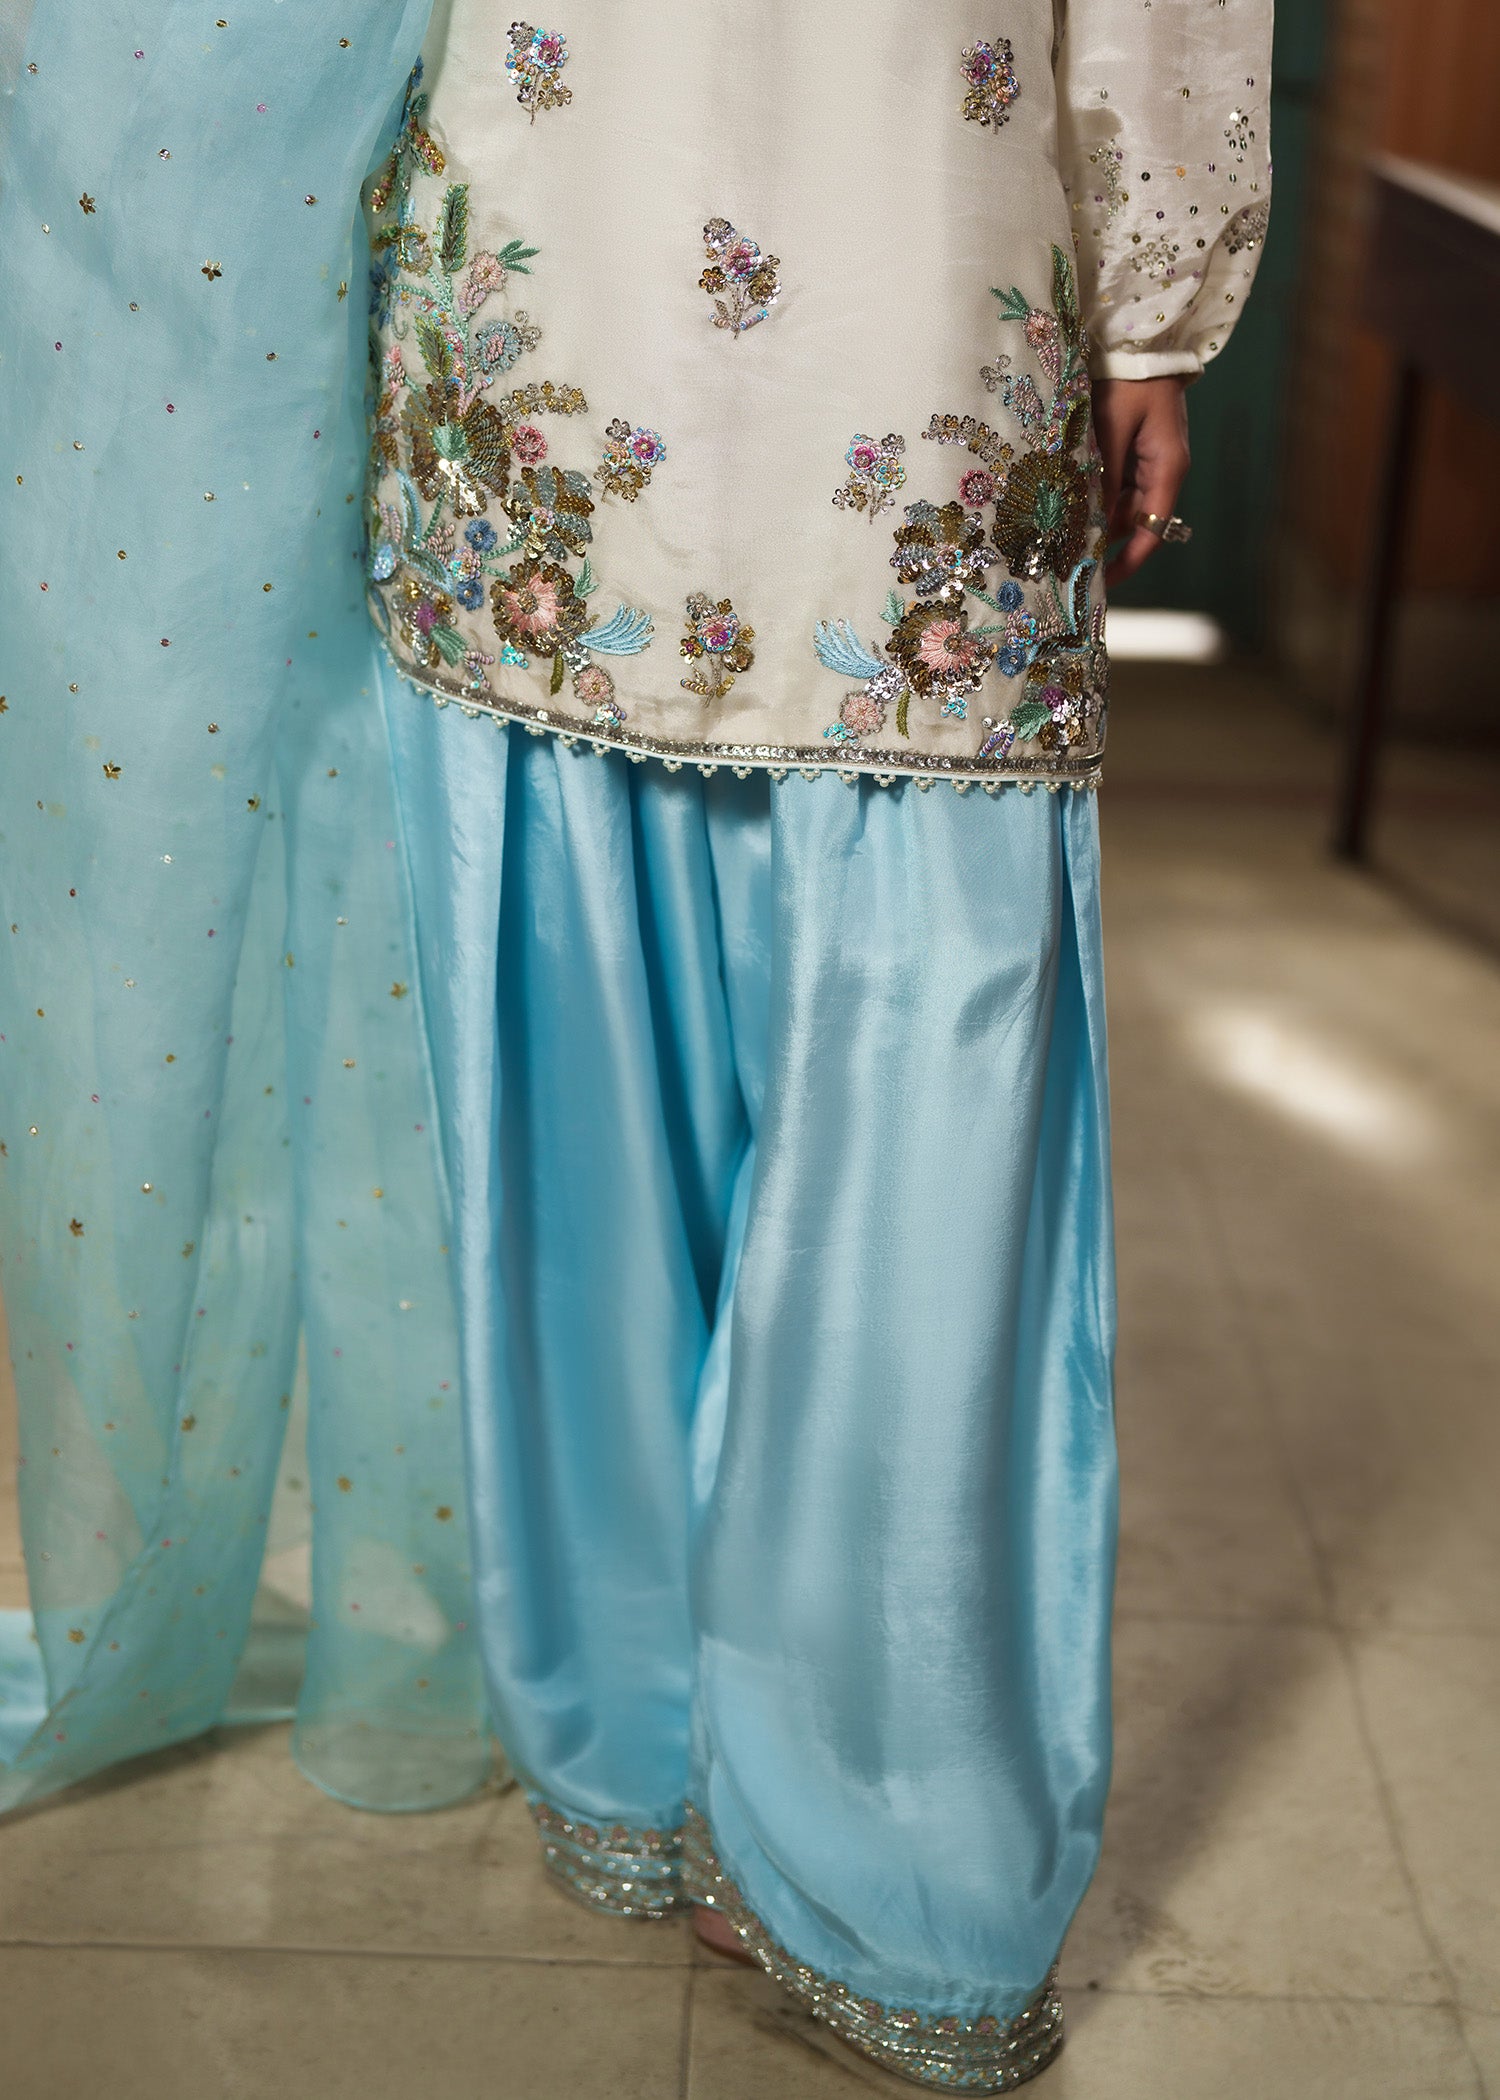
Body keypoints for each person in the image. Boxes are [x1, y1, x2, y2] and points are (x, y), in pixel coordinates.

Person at [0, 3, 1269, 2087]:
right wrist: (1152, 304)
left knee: (781, 1117)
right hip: (621, 283)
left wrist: (1146, 301)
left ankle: (769, 1796)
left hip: (804, 284)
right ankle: (724, 1781)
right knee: (695, 1118)